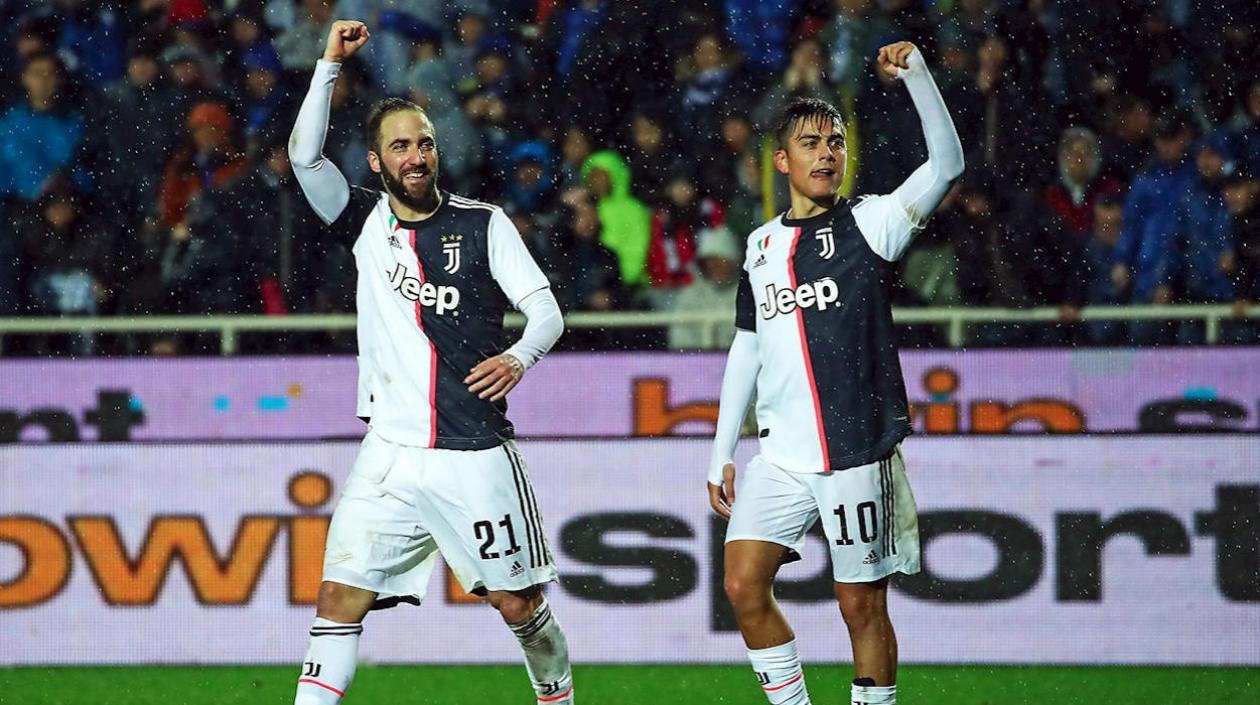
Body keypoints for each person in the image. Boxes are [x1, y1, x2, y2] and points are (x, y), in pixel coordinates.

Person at [287, 21, 572, 705]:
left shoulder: (482, 223)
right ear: (377, 163)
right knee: (336, 598)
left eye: (424, 143)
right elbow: (303, 157)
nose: (416, 155)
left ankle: (556, 691)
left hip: (471, 449)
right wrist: (329, 63)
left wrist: (519, 354)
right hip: (389, 452)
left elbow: (548, 311)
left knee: (516, 603)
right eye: (400, 146)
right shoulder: (363, 222)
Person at [707, 42, 962, 705]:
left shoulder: (871, 224)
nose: (827, 153)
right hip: (781, 457)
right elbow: (747, 345)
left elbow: (948, 164)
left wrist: (918, 76)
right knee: (741, 583)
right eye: (812, 142)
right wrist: (721, 450)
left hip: (855, 452)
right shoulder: (761, 245)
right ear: (782, 161)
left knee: (859, 607)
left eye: (837, 142)